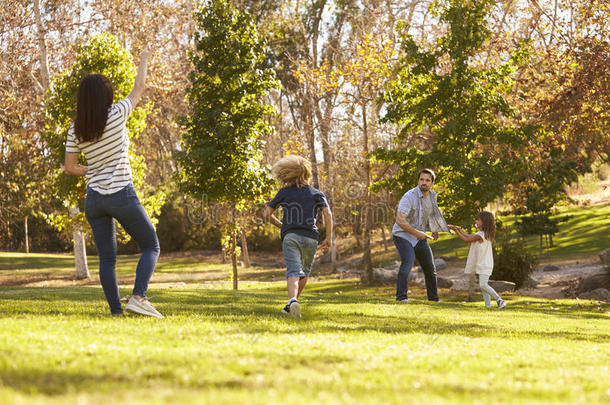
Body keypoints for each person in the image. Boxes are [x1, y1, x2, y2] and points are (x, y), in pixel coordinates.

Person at [64, 48, 163, 318]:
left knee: (107, 258)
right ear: (105, 96)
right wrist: (143, 57)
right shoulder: (117, 114)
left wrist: (93, 168)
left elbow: (70, 167)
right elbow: (139, 87)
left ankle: (117, 312)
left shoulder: (75, 129)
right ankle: (139, 297)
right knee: (151, 246)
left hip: (94, 199)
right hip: (122, 194)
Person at [263, 155, 333, 318]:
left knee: (293, 271)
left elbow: (267, 214)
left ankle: (293, 301)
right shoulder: (317, 193)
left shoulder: (284, 192)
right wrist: (328, 238)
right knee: (304, 272)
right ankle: (291, 305)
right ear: (307, 173)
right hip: (311, 238)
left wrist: (282, 225)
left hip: (291, 237)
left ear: (288, 174)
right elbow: (328, 214)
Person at [392, 168, 451, 303]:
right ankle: (401, 298)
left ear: (432, 183)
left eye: (427, 180)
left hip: (418, 235)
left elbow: (431, 213)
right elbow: (400, 220)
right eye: (421, 179)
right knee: (408, 261)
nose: (424, 182)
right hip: (402, 235)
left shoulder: (432, 196)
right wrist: (418, 233)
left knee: (430, 267)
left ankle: (434, 299)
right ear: (418, 181)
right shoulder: (409, 197)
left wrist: (434, 228)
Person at [448, 212, 507, 309]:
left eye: (478, 220)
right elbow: (468, 235)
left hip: (484, 264)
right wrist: (458, 229)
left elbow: (466, 239)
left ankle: (500, 300)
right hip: (484, 264)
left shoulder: (481, 235)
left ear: (484, 222)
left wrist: (456, 230)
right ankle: (488, 306)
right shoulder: (483, 234)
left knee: (483, 285)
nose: (476, 221)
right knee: (484, 286)